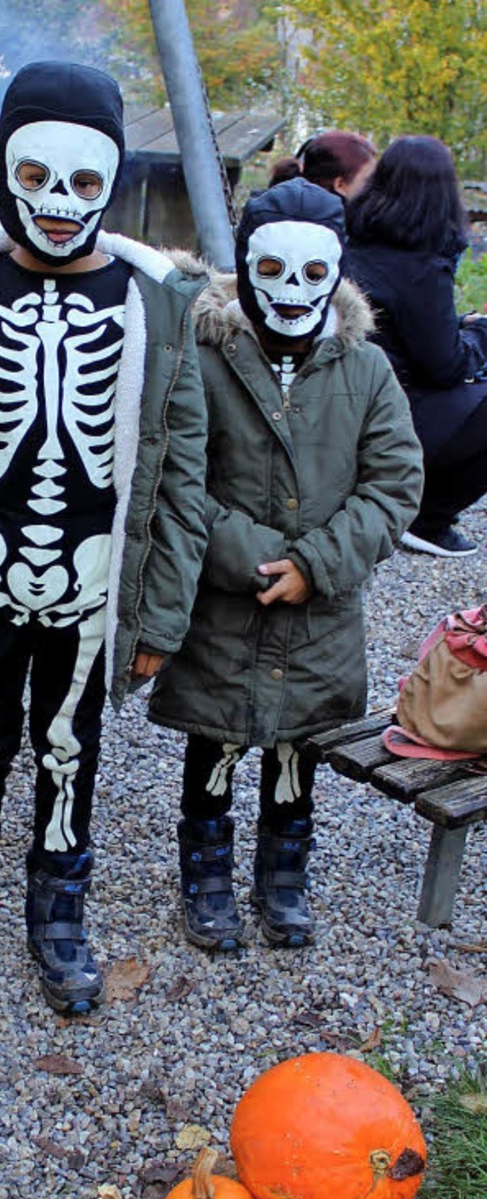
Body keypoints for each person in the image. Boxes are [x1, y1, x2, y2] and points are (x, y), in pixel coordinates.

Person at [0, 59, 208, 1015]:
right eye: (34, 178)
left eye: (81, 180)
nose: (58, 205)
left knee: (73, 741)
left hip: (95, 574)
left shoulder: (156, 304)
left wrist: (161, 607)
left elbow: (181, 471)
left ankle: (59, 910)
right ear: (1, 169)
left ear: (111, 177)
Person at [148, 179, 423, 953]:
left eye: (313, 275)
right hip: (226, 611)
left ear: (337, 274)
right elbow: (175, 475)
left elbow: (396, 481)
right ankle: (205, 876)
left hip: (319, 614)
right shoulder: (203, 360)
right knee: (216, 739)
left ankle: (282, 875)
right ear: (245, 267)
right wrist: (254, 557)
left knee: (297, 748)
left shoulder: (366, 372)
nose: (293, 294)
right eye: (273, 273)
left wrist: (317, 562)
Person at [345, 134, 487, 559]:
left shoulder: (355, 239)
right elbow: (443, 365)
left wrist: (462, 327)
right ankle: (428, 517)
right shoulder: (421, 263)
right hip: (386, 411)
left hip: (346, 398)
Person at [269, 129, 377, 200]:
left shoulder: (267, 210)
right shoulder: (344, 229)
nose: (374, 187)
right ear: (340, 185)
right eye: (367, 180)